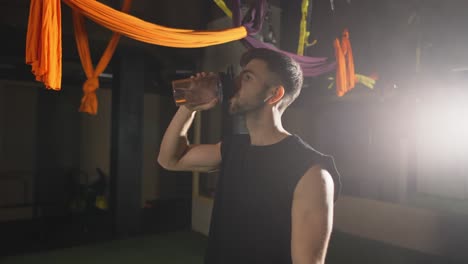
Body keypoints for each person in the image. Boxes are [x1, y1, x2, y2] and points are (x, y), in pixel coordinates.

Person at [158, 48, 341, 264]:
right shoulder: (232, 148)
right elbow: (169, 160)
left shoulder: (312, 172)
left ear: (275, 94)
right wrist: (190, 106)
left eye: (247, 77)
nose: (235, 83)